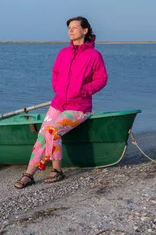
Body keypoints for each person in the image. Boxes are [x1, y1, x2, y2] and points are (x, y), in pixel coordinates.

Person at [14, 16, 108, 188]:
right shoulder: (63, 53)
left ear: (85, 30)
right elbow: (56, 73)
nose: (70, 30)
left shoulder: (94, 55)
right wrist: (57, 87)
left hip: (79, 107)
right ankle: (29, 174)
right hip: (58, 103)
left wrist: (83, 90)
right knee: (42, 136)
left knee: (53, 131)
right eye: (69, 28)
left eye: (74, 27)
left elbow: (101, 79)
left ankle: (57, 170)